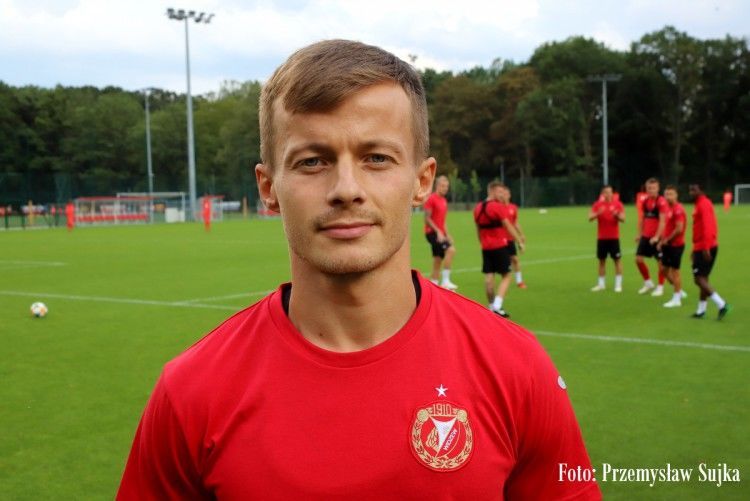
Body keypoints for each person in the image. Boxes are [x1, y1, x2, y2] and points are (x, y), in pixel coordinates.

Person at [117, 40, 600, 500]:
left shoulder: (518, 368)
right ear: (268, 188)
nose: (346, 189)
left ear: (422, 181)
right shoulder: (191, 391)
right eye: (312, 161)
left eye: (376, 158)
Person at [473, 181, 525, 318]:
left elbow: (478, 229)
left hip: (486, 247)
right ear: (492, 191)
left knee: (489, 277)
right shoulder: (497, 206)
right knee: (507, 275)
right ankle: (497, 305)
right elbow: (508, 226)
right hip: (500, 246)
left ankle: (490, 306)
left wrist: (481, 242)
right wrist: (519, 241)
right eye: (500, 192)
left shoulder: (477, 208)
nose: (502, 195)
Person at [689, 184, 730, 319]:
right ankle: (701, 310)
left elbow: (708, 226)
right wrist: (694, 248)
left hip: (705, 246)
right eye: (690, 190)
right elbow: (699, 228)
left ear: (701, 190)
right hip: (701, 246)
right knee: (704, 278)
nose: (691, 192)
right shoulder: (699, 203)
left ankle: (721, 304)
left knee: (698, 279)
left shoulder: (703, 204)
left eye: (694, 190)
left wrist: (706, 247)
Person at [423, 175, 458, 289]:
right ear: (437, 186)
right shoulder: (431, 199)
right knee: (451, 250)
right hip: (432, 233)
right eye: (443, 186)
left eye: (447, 186)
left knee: (437, 260)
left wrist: (447, 234)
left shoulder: (444, 200)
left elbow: (442, 221)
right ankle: (446, 281)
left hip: (440, 234)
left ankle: (433, 285)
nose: (445, 188)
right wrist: (438, 232)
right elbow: (427, 219)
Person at [635, 178, 668, 295]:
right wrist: (639, 234)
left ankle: (660, 287)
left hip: (658, 237)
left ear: (658, 189)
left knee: (661, 263)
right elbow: (642, 219)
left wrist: (657, 236)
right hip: (646, 235)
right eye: (649, 188)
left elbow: (662, 221)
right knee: (638, 259)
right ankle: (648, 282)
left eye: (653, 188)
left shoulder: (661, 202)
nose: (651, 190)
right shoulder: (645, 202)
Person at [588, 185, 625, 292]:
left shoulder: (618, 204)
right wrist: (597, 213)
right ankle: (601, 284)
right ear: (602, 194)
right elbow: (590, 217)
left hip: (614, 237)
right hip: (602, 238)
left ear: (612, 193)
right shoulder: (597, 205)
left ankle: (618, 285)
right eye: (606, 192)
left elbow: (623, 219)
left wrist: (617, 215)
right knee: (601, 261)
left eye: (610, 192)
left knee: (617, 260)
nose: (608, 194)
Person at [657, 186, 687, 308]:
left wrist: (667, 240)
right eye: (666, 194)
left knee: (675, 271)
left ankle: (676, 300)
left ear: (676, 195)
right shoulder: (668, 208)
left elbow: (679, 229)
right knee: (663, 269)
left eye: (671, 194)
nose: (668, 196)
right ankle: (678, 290)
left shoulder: (678, 209)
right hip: (667, 244)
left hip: (676, 245)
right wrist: (661, 241)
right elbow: (667, 227)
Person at [500, 186, 527, 289]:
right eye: (502, 194)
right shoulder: (498, 208)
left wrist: (521, 234)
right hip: (500, 239)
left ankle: (519, 281)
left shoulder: (513, 208)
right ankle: (504, 279)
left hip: (510, 239)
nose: (504, 196)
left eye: (506, 194)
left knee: (515, 259)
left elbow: (515, 223)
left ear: (509, 195)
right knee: (504, 262)